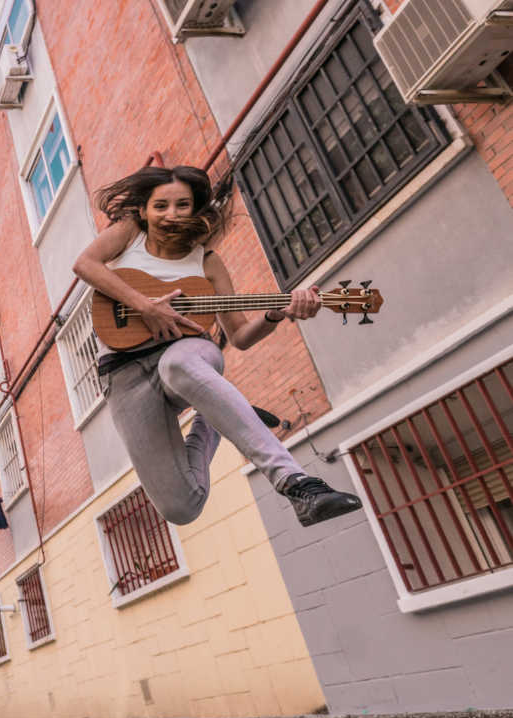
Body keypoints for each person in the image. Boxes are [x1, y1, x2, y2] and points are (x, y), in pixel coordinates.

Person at [72, 165, 362, 527]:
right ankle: (212, 420)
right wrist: (146, 306)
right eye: (160, 206)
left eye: (183, 205)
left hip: (189, 353)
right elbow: (85, 264)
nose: (171, 214)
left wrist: (276, 314)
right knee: (182, 508)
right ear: (144, 210)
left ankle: (296, 482)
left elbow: (239, 337)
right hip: (123, 372)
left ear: (195, 210)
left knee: (177, 365)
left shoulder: (207, 262)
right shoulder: (129, 234)